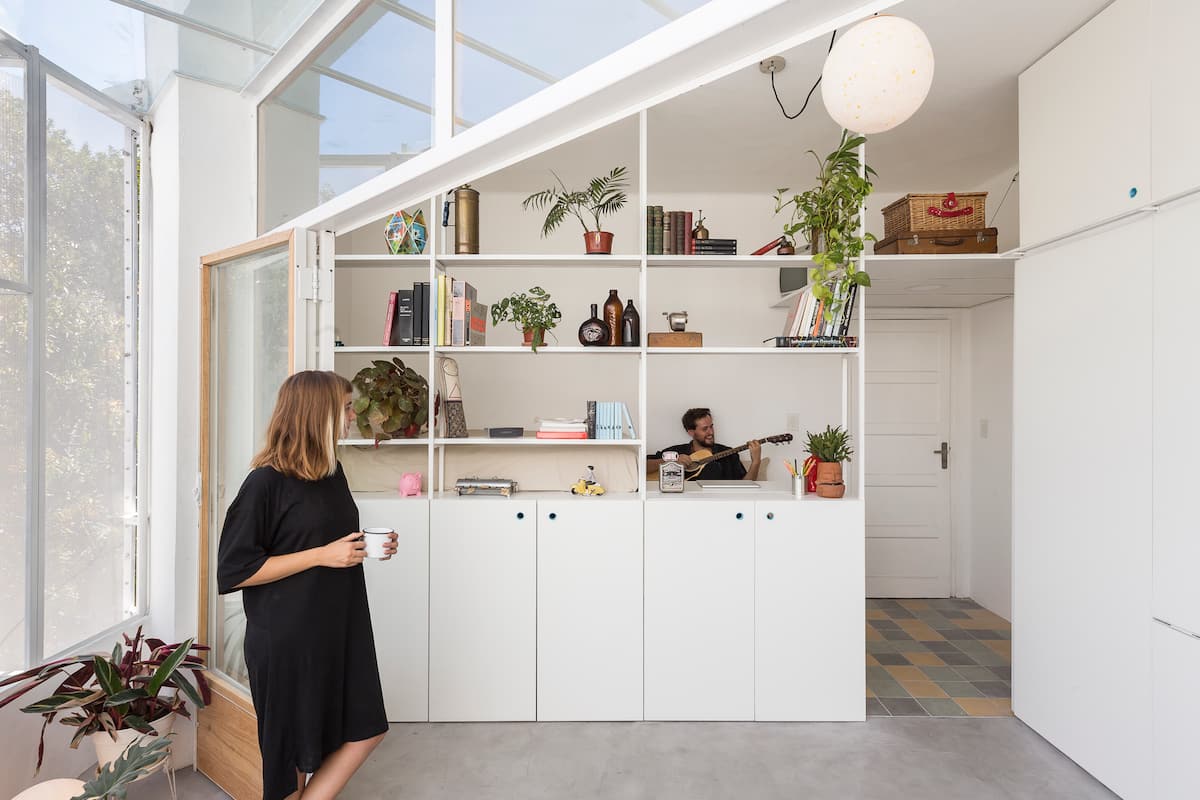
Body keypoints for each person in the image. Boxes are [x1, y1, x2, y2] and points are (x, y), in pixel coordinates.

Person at [216, 370, 398, 800]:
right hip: (288, 641)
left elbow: (320, 538)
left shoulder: (332, 473)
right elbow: (234, 570)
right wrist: (322, 555)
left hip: (338, 630)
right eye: (346, 408)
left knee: (366, 729)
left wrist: (367, 545)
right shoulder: (264, 483)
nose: (353, 415)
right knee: (291, 764)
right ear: (319, 413)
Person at [646, 407, 762, 481]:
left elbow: (745, 487)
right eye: (705, 429)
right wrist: (671, 461)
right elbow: (643, 467)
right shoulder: (677, 452)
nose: (711, 432)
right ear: (691, 432)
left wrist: (756, 462)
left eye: (711, 427)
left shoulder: (729, 453)